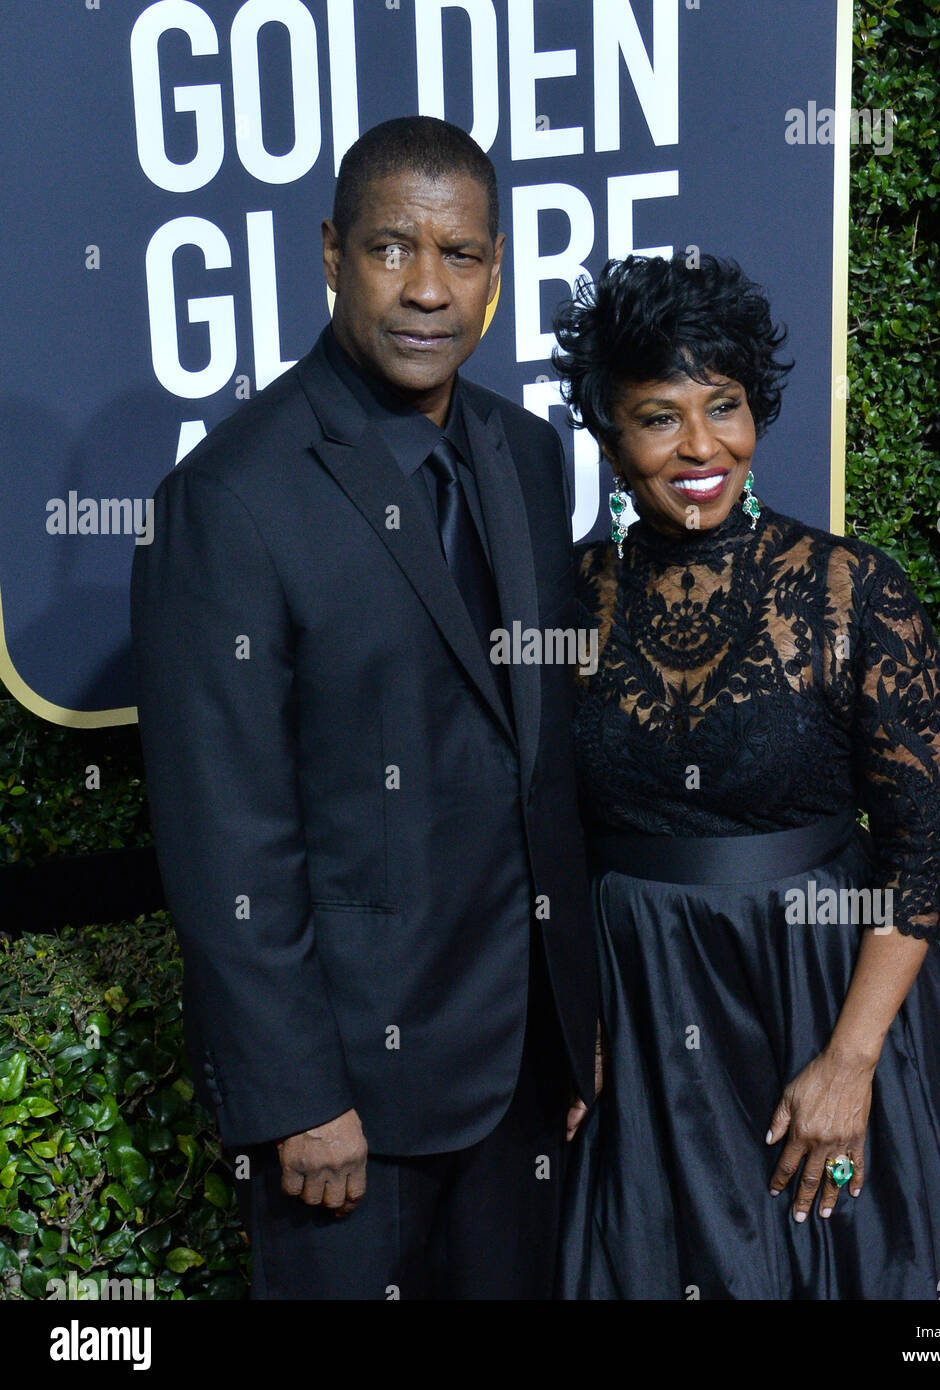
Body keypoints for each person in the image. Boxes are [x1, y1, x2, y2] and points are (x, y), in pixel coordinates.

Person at [551, 252, 940, 1300]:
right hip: (645, 1016)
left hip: (823, 999)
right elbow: (542, 829)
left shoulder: (851, 593)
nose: (702, 446)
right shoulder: (567, 599)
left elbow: (920, 852)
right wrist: (577, 1020)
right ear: (610, 438)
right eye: (660, 417)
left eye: (726, 406)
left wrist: (849, 1065)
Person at [130, 116, 601, 1300]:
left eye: (463, 255)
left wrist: (575, 1008)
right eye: (393, 249)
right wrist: (295, 1093)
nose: (428, 289)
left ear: (498, 268)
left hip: (526, 1071)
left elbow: (540, 766)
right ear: (331, 250)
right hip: (350, 1105)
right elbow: (223, 828)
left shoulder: (527, 454)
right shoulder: (230, 498)